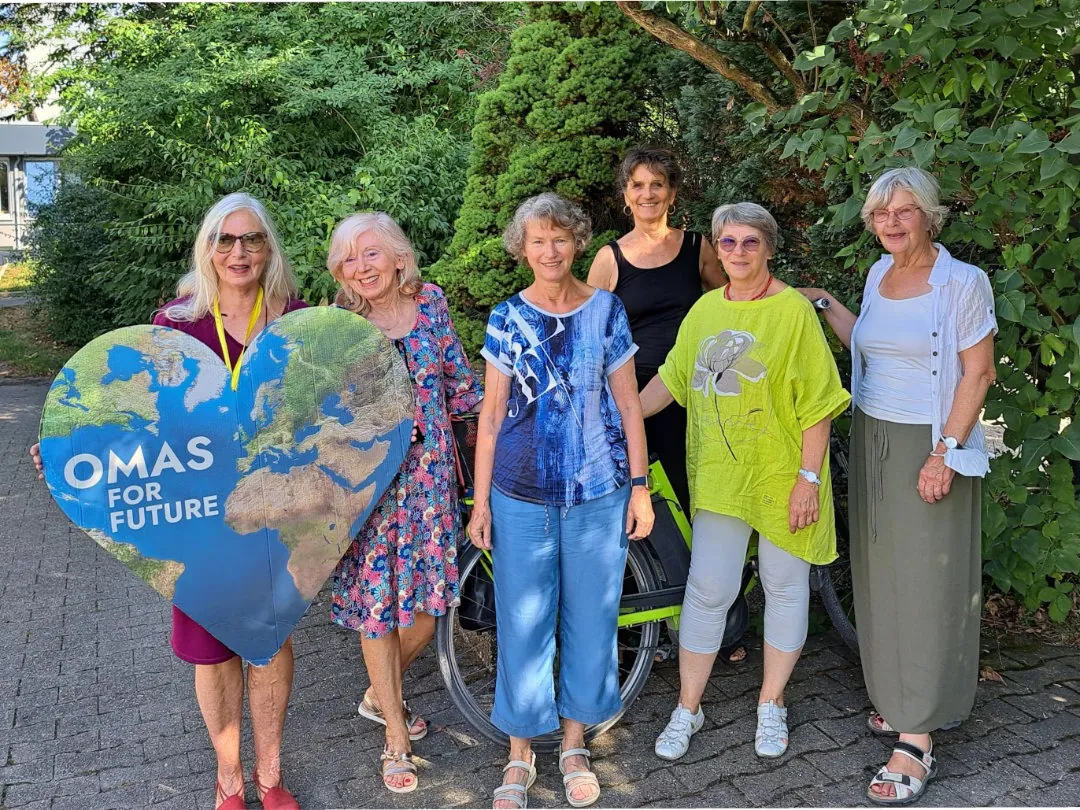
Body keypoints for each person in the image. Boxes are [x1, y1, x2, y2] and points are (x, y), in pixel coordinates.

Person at [32, 192, 306, 810]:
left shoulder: (296, 319)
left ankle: (271, 776)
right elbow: (141, 419)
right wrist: (70, 451)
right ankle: (229, 780)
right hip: (199, 520)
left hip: (273, 516)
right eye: (226, 240)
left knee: (269, 642)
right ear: (207, 249)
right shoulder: (176, 326)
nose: (240, 252)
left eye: (252, 239)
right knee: (212, 650)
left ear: (270, 248)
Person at [798, 166, 996, 805]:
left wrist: (944, 453)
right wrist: (826, 303)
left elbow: (979, 371)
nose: (890, 223)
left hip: (930, 441)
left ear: (929, 216)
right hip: (873, 435)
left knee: (922, 580)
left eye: (903, 211)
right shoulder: (879, 276)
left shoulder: (962, 282)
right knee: (880, 572)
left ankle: (917, 735)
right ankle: (897, 695)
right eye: (880, 214)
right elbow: (871, 348)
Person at [640, 202, 850, 764]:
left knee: (784, 586)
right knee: (708, 590)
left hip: (785, 475)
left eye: (749, 242)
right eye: (727, 242)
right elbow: (672, 379)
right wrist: (622, 419)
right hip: (721, 478)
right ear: (717, 247)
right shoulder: (706, 309)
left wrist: (809, 479)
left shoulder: (792, 313)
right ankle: (688, 707)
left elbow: (818, 405)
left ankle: (771, 703)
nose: (737, 252)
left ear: (768, 247)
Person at [469, 192, 654, 809]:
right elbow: (490, 416)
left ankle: (574, 744)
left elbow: (629, 403)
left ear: (577, 243)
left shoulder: (607, 310)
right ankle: (520, 752)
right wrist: (480, 502)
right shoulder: (505, 317)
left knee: (592, 619)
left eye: (560, 238)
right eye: (537, 240)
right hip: (519, 493)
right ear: (522, 249)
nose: (549, 250)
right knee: (522, 622)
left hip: (598, 493)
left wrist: (640, 486)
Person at [327, 212, 483, 794]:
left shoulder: (433, 304)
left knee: (428, 607)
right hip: (370, 489)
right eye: (348, 258)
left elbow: (459, 384)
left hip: (430, 482)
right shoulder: (338, 326)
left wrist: (506, 414)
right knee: (378, 609)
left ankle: (377, 695)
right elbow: (325, 413)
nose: (360, 267)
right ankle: (396, 737)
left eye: (371, 254)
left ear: (398, 258)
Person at [588, 145, 726, 517]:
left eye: (657, 184)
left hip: (696, 388)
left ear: (672, 193)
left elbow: (731, 300)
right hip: (639, 395)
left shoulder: (697, 246)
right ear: (626, 196)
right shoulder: (609, 258)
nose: (647, 194)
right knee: (649, 495)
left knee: (697, 486)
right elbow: (589, 337)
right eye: (637, 185)